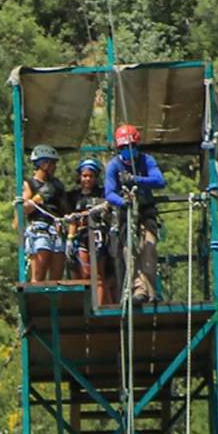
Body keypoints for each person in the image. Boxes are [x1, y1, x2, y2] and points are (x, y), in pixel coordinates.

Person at [104, 125, 166, 303]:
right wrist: (123, 201)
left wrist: (136, 180)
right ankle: (138, 290)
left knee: (149, 247)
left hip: (146, 210)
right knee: (129, 251)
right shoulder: (114, 166)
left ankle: (150, 291)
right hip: (126, 212)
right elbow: (109, 193)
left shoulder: (146, 161)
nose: (127, 152)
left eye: (130, 147)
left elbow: (160, 181)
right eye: (123, 148)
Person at [66, 157, 114, 306]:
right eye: (85, 176)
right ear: (80, 176)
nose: (87, 179)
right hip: (80, 235)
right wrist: (70, 238)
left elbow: (108, 209)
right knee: (84, 273)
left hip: (98, 235)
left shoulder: (102, 194)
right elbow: (69, 217)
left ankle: (100, 306)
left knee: (98, 274)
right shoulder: (73, 196)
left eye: (91, 176)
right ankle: (88, 305)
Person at [21, 144, 68, 283]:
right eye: (53, 163)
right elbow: (24, 208)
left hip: (57, 228)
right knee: (39, 272)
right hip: (39, 228)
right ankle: (36, 300)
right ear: (44, 164)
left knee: (57, 275)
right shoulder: (29, 184)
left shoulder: (57, 185)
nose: (55, 167)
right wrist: (38, 198)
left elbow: (65, 208)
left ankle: (53, 302)